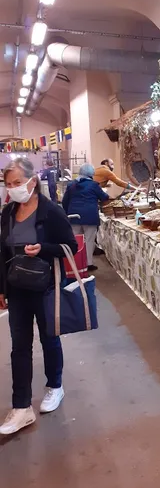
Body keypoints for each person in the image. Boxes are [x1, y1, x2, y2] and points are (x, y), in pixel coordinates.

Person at [0, 157, 78, 435]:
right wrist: (2, 288)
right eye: (8, 184)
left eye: (18, 183)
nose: (13, 189)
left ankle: (54, 386)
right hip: (17, 287)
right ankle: (21, 407)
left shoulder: (51, 211)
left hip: (47, 286)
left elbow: (70, 246)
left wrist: (42, 248)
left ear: (33, 182)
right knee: (19, 346)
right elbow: (2, 251)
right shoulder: (8, 212)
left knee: (49, 338)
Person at [62, 163, 109, 271]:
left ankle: (75, 262)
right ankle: (88, 263)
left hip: (73, 216)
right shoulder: (93, 185)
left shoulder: (72, 185)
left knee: (75, 240)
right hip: (90, 216)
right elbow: (104, 197)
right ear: (91, 174)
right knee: (89, 240)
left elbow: (65, 201)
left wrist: (67, 212)